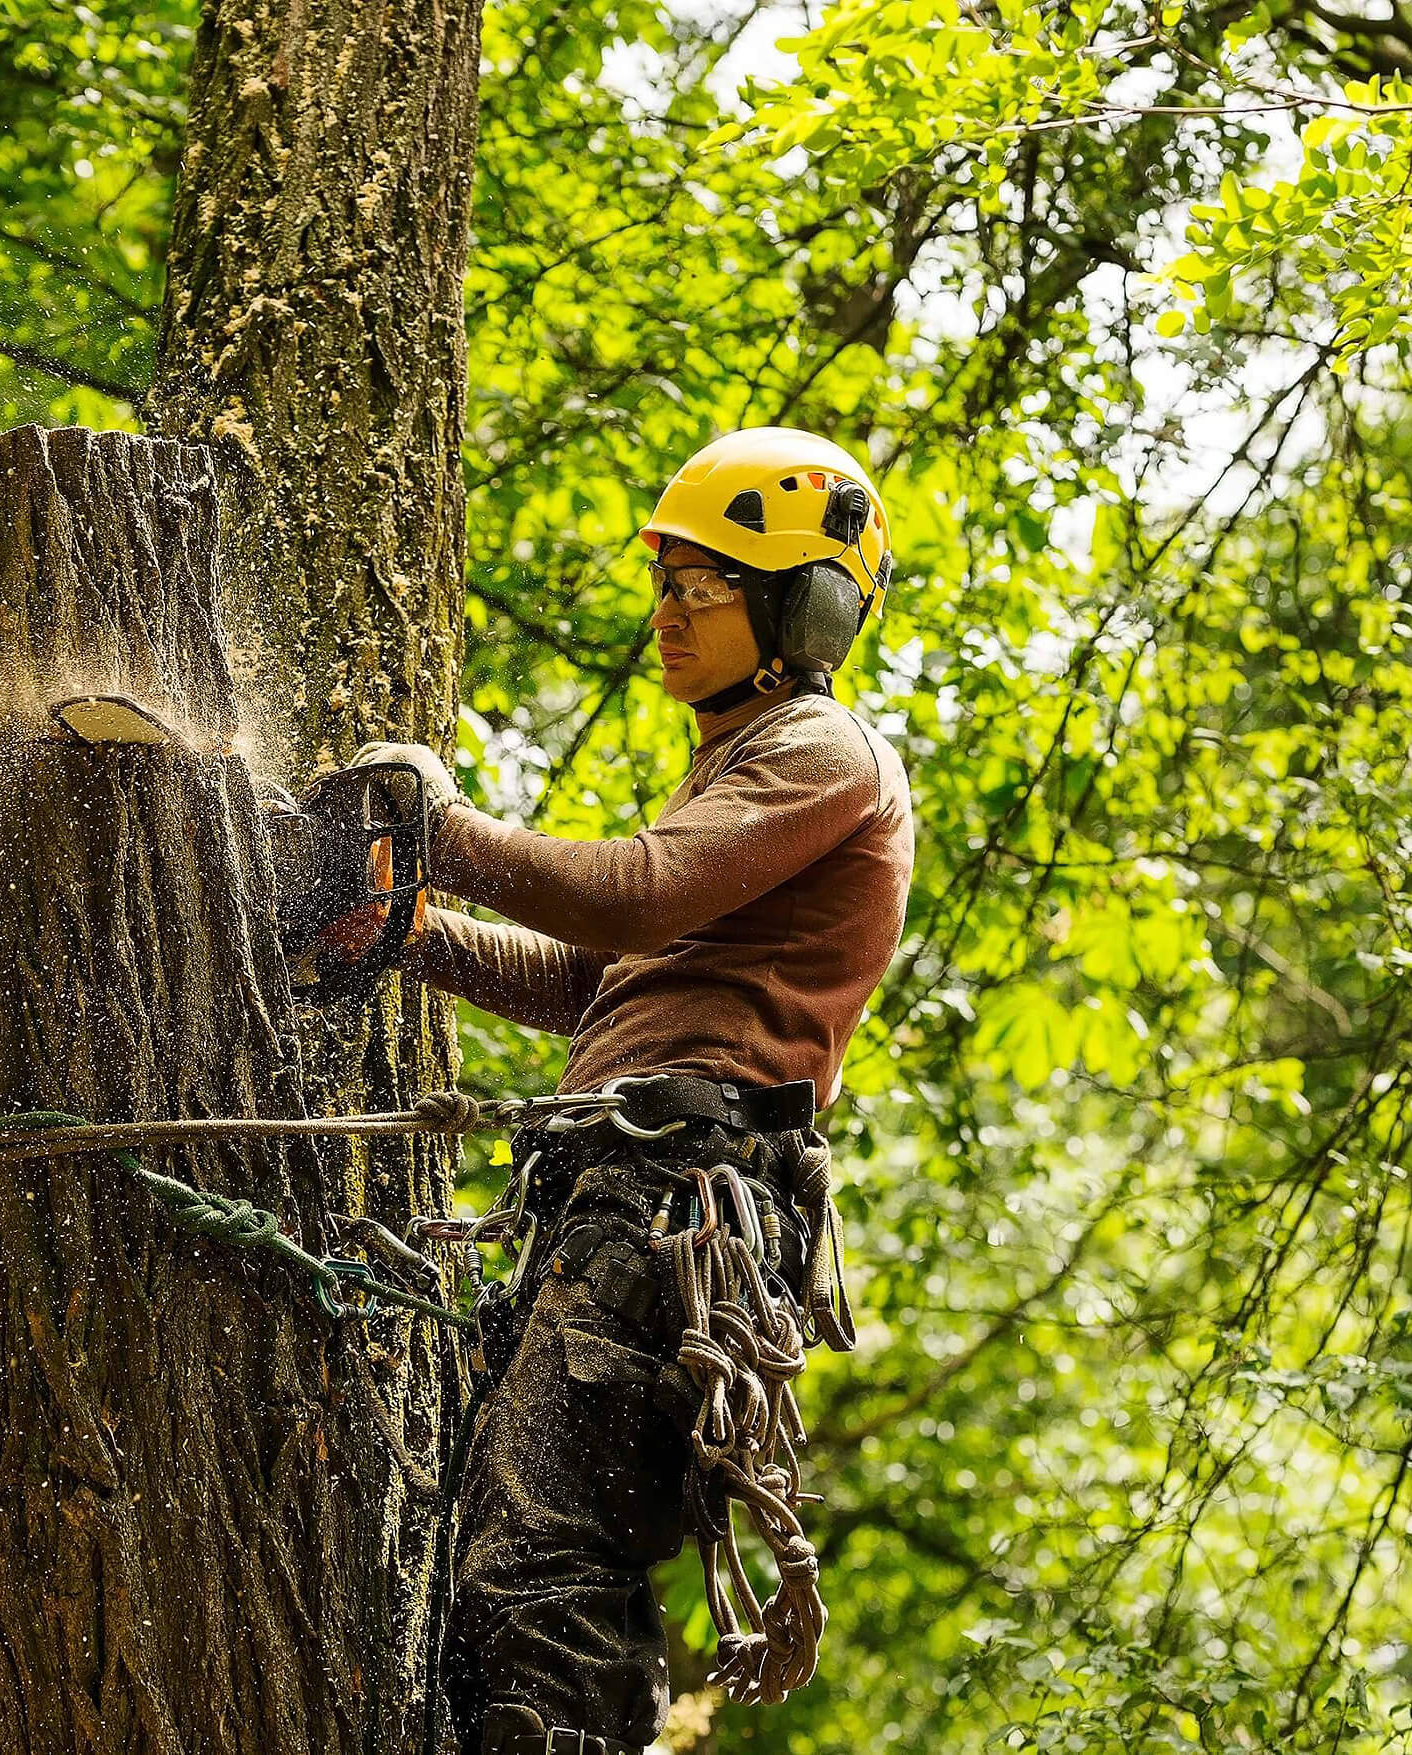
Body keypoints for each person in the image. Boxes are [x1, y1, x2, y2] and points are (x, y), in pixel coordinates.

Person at [353, 427, 915, 1755]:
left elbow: (632, 892)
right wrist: (413, 931)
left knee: (541, 1560)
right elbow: (592, 976)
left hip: (677, 1201)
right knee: (490, 1560)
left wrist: (440, 826)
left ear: (804, 608)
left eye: (701, 590)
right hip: (624, 1193)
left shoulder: (823, 753)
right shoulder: (733, 774)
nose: (667, 617)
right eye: (662, 586)